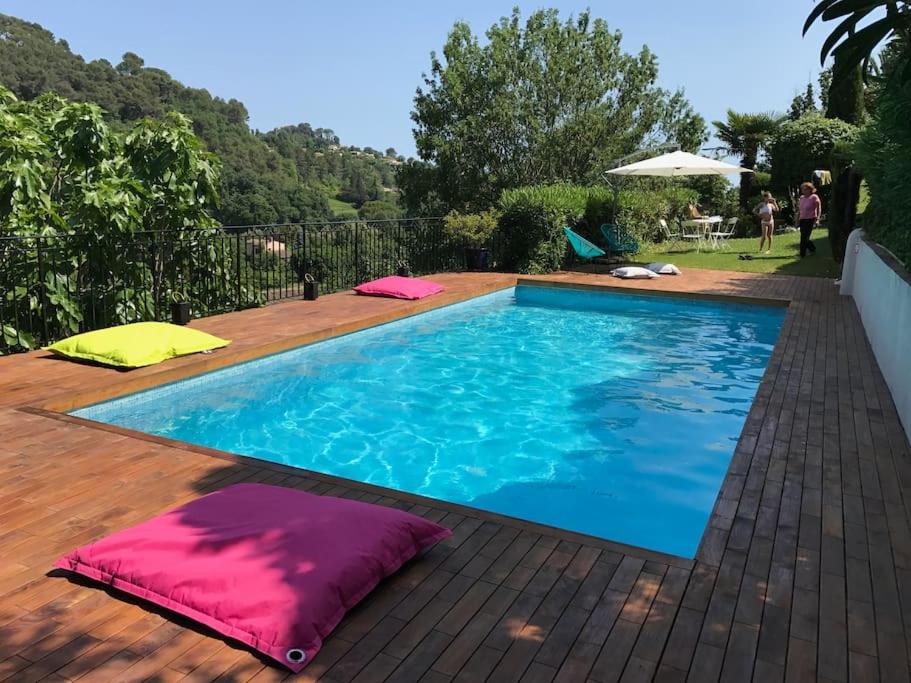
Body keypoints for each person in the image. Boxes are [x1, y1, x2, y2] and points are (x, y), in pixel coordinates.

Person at [798, 182, 821, 257]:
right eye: (802, 189)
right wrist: (797, 219)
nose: (803, 190)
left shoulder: (814, 197)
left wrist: (817, 219)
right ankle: (812, 248)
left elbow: (818, 208)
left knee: (804, 237)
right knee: (804, 236)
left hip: (810, 219)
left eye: (805, 189)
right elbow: (800, 210)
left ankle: (802, 254)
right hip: (802, 219)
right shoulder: (801, 198)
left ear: (809, 189)